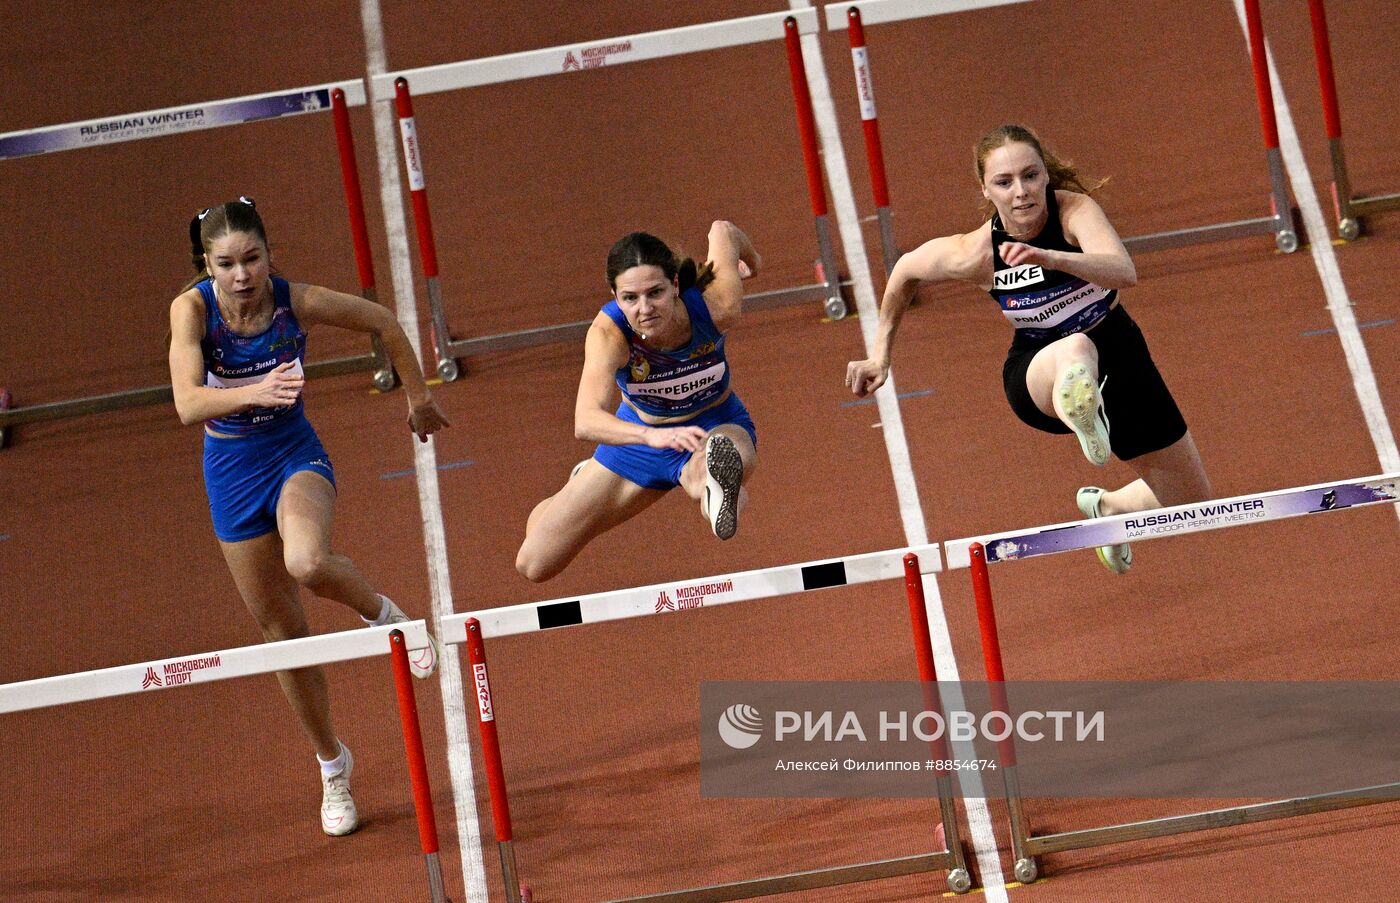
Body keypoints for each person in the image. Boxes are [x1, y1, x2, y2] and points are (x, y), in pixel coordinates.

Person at [167, 197, 450, 836]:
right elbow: (187, 403)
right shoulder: (192, 310)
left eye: (252, 259)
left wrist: (418, 397)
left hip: (293, 452)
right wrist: (252, 392)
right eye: (226, 264)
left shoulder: (298, 302)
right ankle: (333, 766)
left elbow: (384, 321)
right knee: (281, 629)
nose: (242, 275)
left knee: (309, 562)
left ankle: (387, 616)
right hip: (231, 469)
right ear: (206, 266)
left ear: (269, 256)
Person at [845, 124, 1211, 574]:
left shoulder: (1075, 212)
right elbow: (904, 271)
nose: (1021, 192)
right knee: (1075, 347)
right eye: (1004, 182)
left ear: (1044, 175)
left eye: (1030, 175)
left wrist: (1052, 258)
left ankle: (1111, 508)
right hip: (1039, 368)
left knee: (1195, 507)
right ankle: (1079, 400)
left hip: (1119, 354)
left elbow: (1123, 270)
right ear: (986, 189)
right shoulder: (976, 253)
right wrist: (880, 354)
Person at [516, 221, 761, 582]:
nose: (644, 308)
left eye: (656, 293)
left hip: (713, 422)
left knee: (723, 462)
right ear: (615, 296)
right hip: (641, 440)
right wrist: (649, 437)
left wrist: (753, 264)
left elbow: (723, 230)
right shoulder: (608, 334)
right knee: (535, 564)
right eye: (630, 298)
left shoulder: (716, 304)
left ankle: (711, 485)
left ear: (676, 284)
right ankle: (578, 487)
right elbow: (585, 420)